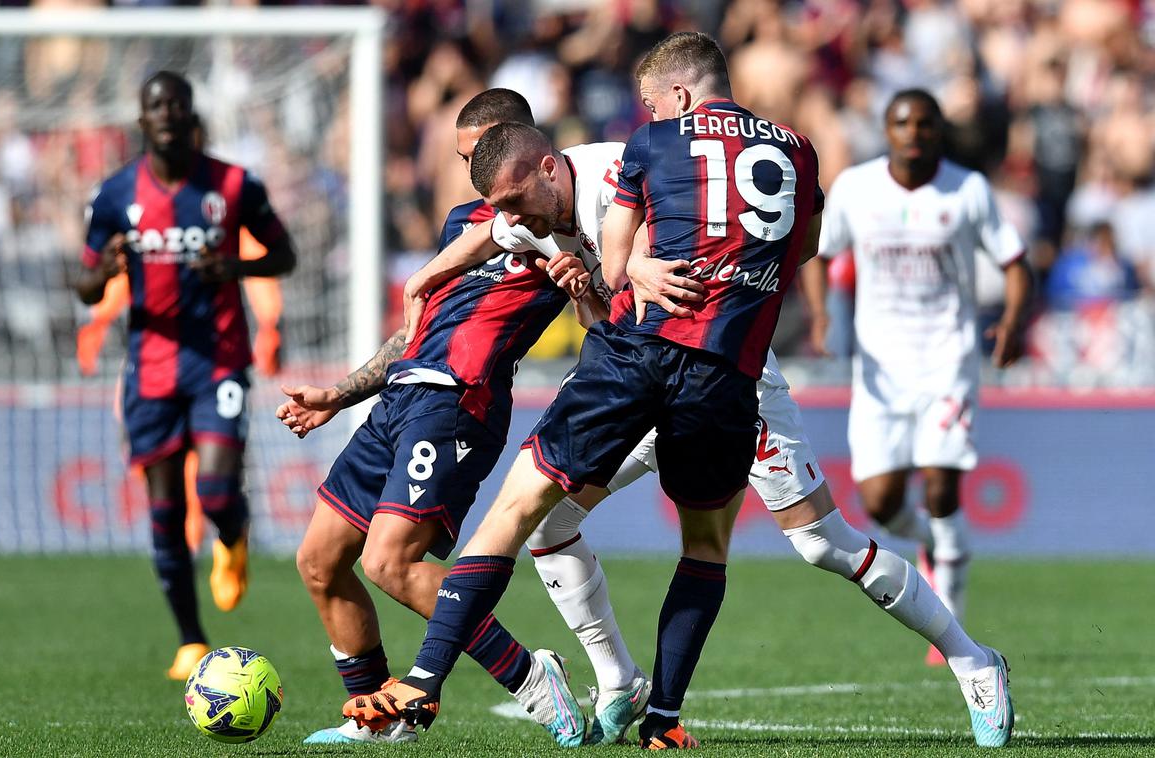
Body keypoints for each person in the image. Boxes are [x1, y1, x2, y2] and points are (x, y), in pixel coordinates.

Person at [402, 77, 1016, 751]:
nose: (511, 221)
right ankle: (621, 683)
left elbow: (717, 256)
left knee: (822, 543)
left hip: (726, 378)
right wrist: (427, 276)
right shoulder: (530, 212)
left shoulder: (622, 171)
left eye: (516, 200)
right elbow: (498, 241)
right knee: (549, 518)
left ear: (549, 165)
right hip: (642, 376)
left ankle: (971, 659)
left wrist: (632, 269)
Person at [275, 88, 595, 747]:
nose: (467, 171)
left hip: (460, 402)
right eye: (460, 158)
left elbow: (602, 306)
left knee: (389, 561)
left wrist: (583, 284)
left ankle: (533, 679)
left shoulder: (556, 220)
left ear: (518, 147)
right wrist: (339, 394)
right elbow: (417, 331)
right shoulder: (459, 225)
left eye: (475, 155)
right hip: (401, 397)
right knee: (319, 560)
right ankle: (378, 718)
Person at [75, 71, 296, 680]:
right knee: (165, 512)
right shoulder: (116, 193)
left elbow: (285, 253)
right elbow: (85, 280)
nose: (167, 114)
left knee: (217, 493)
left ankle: (234, 532)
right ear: (142, 121)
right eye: (155, 106)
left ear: (191, 115)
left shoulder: (232, 185)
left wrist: (236, 265)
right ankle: (191, 639)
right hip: (150, 368)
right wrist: (104, 274)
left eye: (176, 104)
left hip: (218, 358)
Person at [801, 89, 1031, 669]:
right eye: (903, 123)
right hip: (879, 367)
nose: (914, 133)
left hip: (947, 360)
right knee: (879, 502)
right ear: (888, 128)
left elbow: (1015, 261)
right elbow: (820, 255)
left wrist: (1010, 319)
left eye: (925, 124)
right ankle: (933, 541)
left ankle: (949, 625)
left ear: (938, 131)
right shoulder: (857, 188)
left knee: (941, 486)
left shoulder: (967, 189)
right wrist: (825, 314)